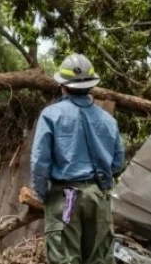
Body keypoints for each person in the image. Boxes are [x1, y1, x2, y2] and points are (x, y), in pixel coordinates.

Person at [30, 53, 124, 264]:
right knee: (99, 260)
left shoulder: (51, 115)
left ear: (63, 86)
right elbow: (118, 162)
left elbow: (39, 163)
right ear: (91, 86)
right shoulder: (108, 121)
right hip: (98, 198)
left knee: (65, 258)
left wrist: (43, 195)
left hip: (66, 199)